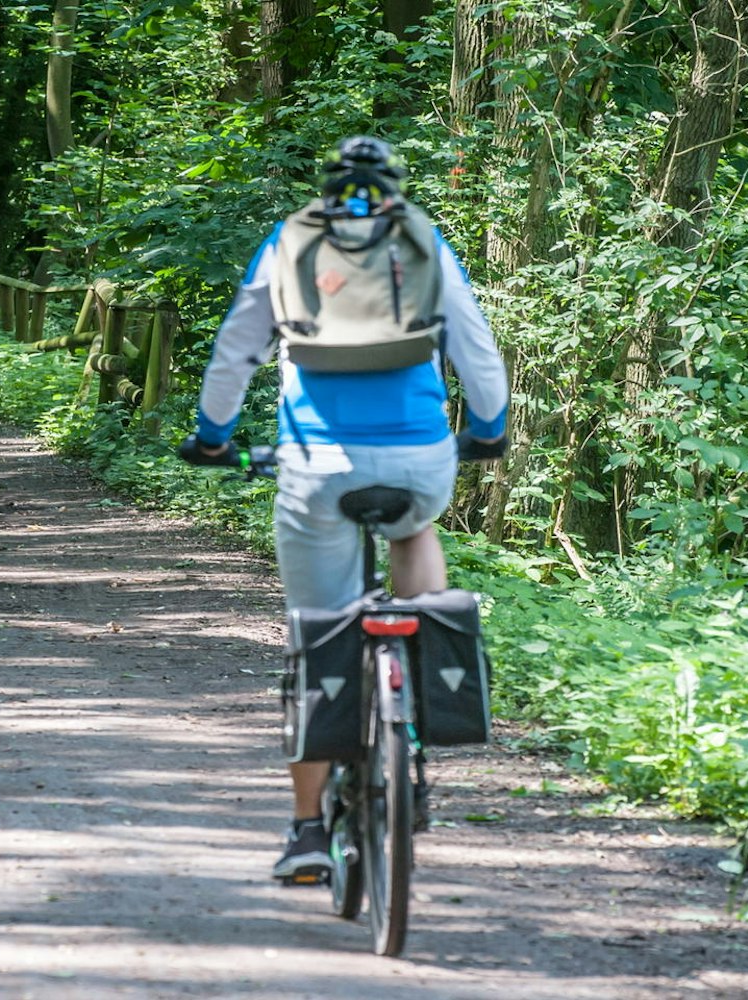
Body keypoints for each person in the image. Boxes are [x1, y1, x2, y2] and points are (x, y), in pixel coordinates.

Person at [178, 136, 509, 882]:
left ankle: (304, 832)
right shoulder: (422, 241)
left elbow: (238, 348)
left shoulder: (291, 240)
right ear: (394, 187)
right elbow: (477, 349)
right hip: (419, 453)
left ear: (329, 190)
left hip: (316, 461)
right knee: (414, 523)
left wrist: (212, 438)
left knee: (320, 641)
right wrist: (487, 430)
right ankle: (425, 701)